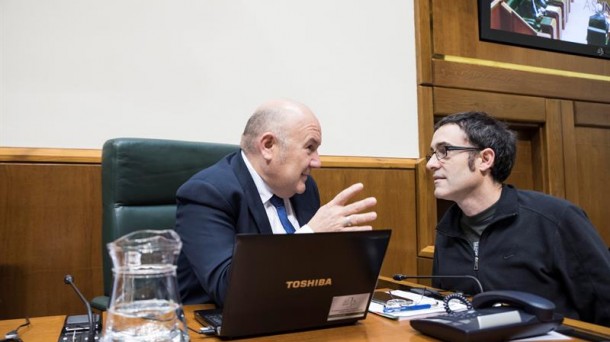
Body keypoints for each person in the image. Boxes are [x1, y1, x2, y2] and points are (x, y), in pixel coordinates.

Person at [175, 99, 378, 307]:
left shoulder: (305, 190)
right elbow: (228, 291)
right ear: (268, 146)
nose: (318, 161)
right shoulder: (208, 193)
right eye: (310, 147)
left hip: (291, 314)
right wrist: (309, 236)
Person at [426, 111, 610, 326]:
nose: (431, 164)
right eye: (432, 153)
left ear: (485, 159)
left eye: (444, 151)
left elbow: (604, 302)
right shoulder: (447, 229)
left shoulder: (557, 218)